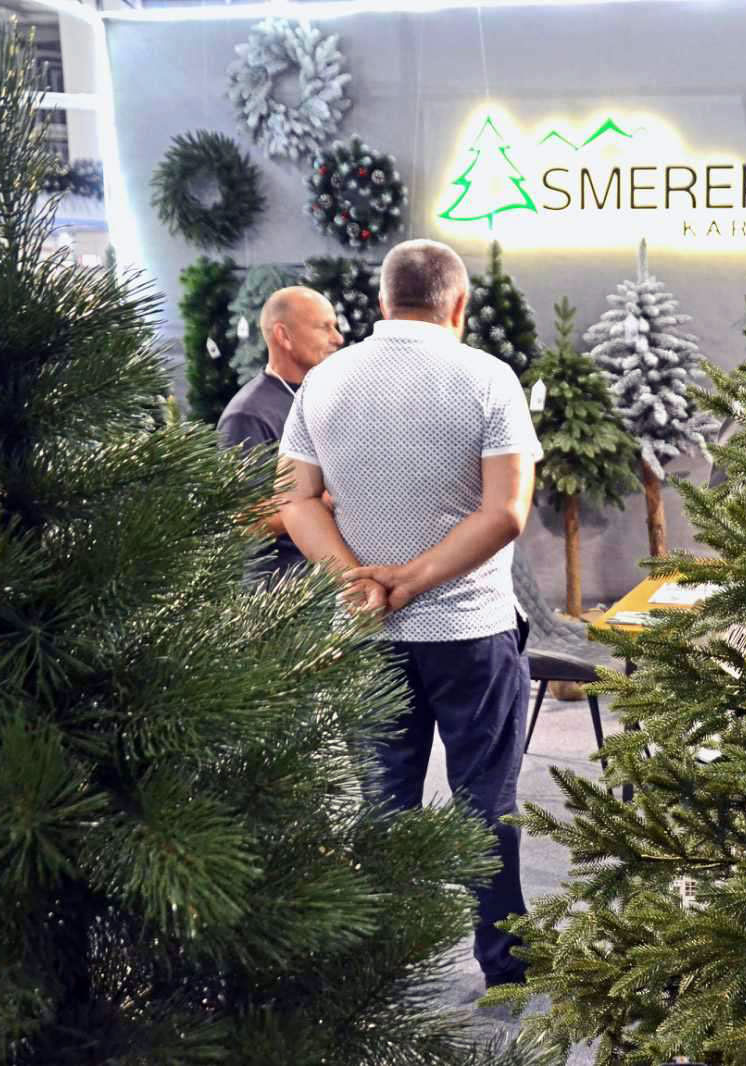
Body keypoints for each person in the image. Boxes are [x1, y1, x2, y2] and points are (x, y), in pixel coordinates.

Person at [276, 239, 541, 989]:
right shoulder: (487, 378)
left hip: (368, 636)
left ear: (382, 302)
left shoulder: (323, 381)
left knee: (381, 808)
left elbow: (294, 499)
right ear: (458, 304)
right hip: (469, 631)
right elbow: (507, 511)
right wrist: (415, 579)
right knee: (486, 803)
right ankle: (507, 969)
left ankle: (383, 975)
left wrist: (356, 581)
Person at [216, 286, 344, 584]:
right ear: (283, 336)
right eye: (324, 327)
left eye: (335, 326)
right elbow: (243, 522)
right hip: (283, 590)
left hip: (330, 579)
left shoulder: (325, 396)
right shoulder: (247, 415)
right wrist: (328, 498)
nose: (338, 338)